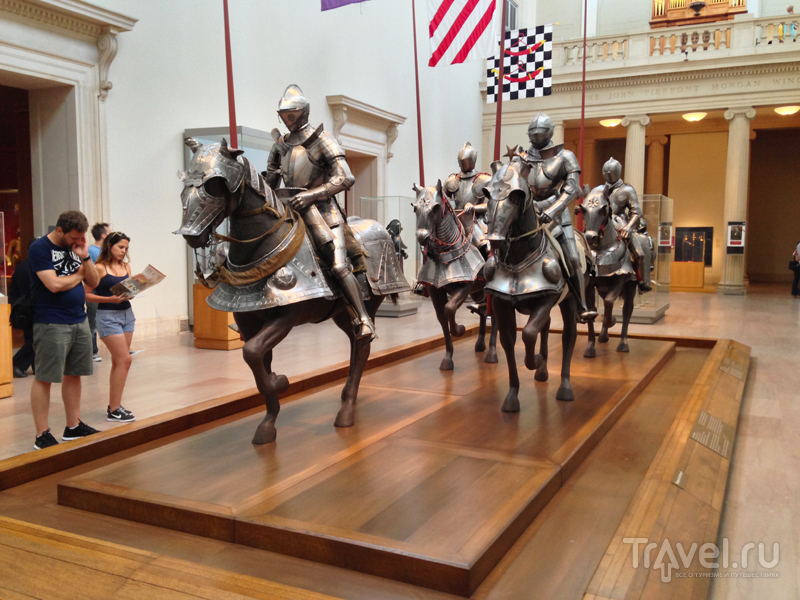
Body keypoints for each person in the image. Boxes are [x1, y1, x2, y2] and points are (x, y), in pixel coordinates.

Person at [264, 84, 374, 341]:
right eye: (284, 116)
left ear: (303, 113)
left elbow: (345, 178)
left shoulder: (321, 139)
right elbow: (271, 182)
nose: (288, 120)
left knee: (338, 265)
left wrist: (312, 194)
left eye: (292, 115)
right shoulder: (279, 145)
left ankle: (362, 317)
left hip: (322, 211)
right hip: (287, 211)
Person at [28, 210, 101, 450]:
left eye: (82, 237)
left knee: (74, 373)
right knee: (45, 377)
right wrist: (78, 274)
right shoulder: (40, 248)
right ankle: (42, 434)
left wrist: (85, 258)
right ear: (60, 230)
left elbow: (94, 282)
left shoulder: (78, 247)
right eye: (74, 238)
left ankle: (73, 426)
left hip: (78, 319)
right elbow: (54, 284)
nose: (78, 242)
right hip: (51, 321)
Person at [519, 112, 597, 322]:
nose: (536, 138)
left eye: (540, 133)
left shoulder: (565, 156)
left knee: (572, 257)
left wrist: (553, 210)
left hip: (557, 216)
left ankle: (581, 304)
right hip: (528, 215)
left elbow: (573, 190)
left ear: (550, 133)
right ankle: (491, 300)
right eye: (533, 134)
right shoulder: (523, 157)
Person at [84, 231, 136, 423]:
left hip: (127, 314)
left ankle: (114, 406)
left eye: (126, 248)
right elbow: (86, 294)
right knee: (125, 360)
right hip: (107, 315)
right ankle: (115, 408)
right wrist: (109, 299)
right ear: (109, 246)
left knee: (118, 362)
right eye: (120, 247)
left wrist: (132, 293)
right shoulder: (99, 268)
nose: (123, 251)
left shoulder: (125, 266)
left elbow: (129, 289)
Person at [601, 157, 654, 293]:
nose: (608, 175)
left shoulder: (627, 190)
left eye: (611, 173)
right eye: (606, 173)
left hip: (621, 223)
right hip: (602, 225)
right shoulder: (600, 189)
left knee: (639, 254)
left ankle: (642, 281)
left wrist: (629, 227)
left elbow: (636, 212)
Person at [9, 239, 36, 378]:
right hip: (36, 307)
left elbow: (12, 288)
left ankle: (37, 366)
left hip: (22, 308)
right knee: (37, 338)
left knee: (30, 337)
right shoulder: (38, 266)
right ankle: (17, 363)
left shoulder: (20, 266)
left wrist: (14, 306)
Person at [87, 223, 111, 362]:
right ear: (103, 235)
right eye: (110, 232)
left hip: (107, 292)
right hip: (95, 292)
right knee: (93, 323)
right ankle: (92, 351)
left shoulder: (107, 251)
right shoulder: (91, 250)